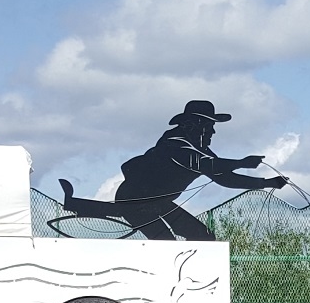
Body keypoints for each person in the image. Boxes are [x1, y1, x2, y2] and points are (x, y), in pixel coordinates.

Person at [109, 101, 288, 240]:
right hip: (135, 201)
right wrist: (241, 162)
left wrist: (267, 183)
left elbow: (224, 178)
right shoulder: (173, 143)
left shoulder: (200, 149)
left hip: (158, 203)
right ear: (195, 125)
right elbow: (206, 165)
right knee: (165, 243)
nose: (213, 132)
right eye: (210, 127)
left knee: (202, 236)